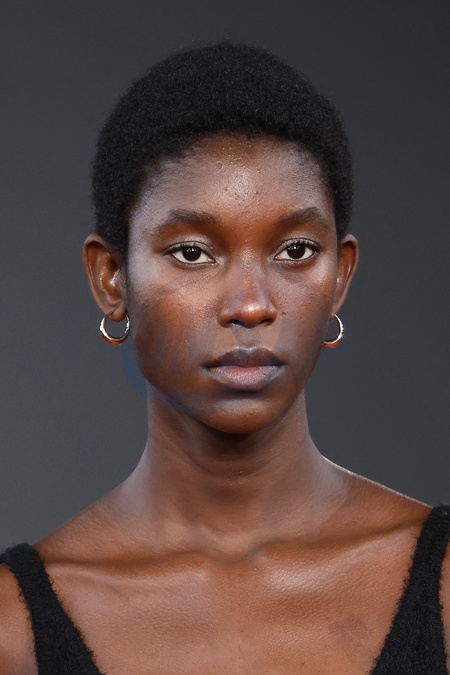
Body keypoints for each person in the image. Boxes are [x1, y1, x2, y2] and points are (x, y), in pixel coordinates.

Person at [0, 41, 448, 675]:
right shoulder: (13, 629)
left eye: (295, 251)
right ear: (111, 278)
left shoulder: (443, 586)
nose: (251, 305)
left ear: (340, 276)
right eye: (192, 253)